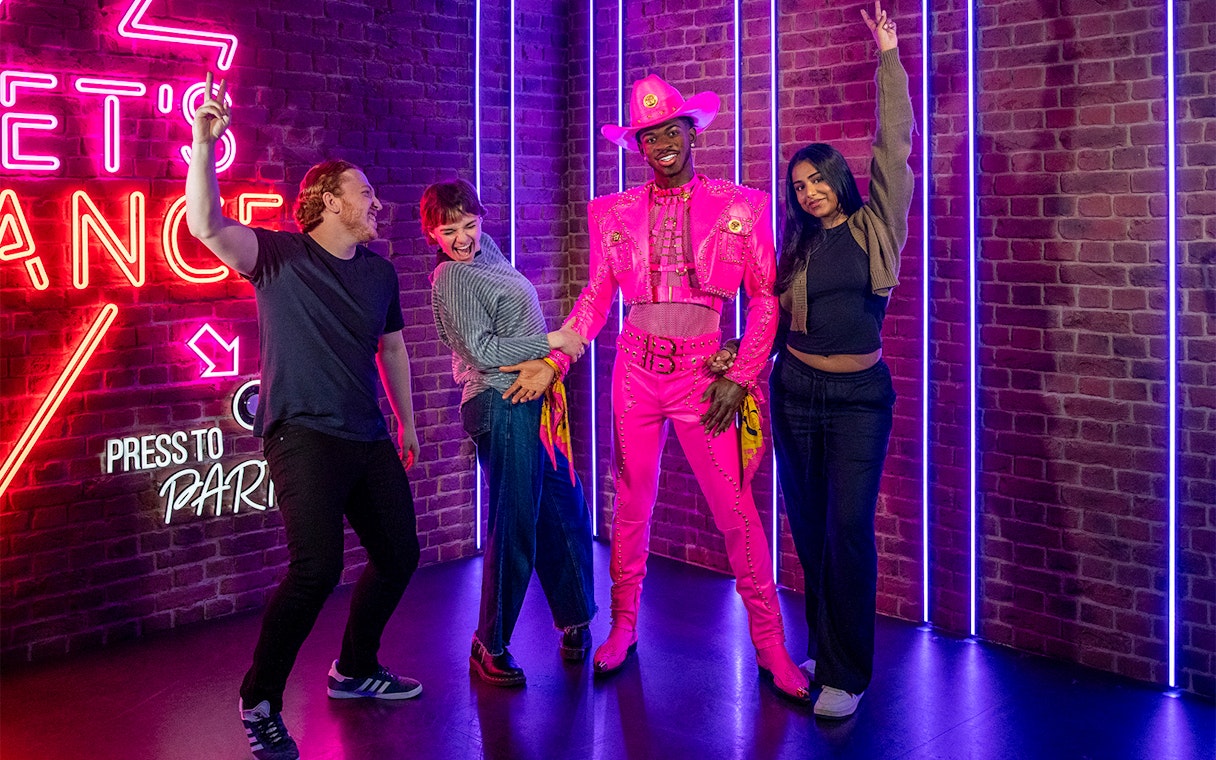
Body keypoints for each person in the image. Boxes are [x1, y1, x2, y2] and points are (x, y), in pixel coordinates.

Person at [186, 74, 423, 760]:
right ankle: (259, 698)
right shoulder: (279, 257)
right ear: (326, 202)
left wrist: (406, 423)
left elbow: (395, 348)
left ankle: (353, 669)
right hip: (301, 435)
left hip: (368, 434)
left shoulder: (380, 274)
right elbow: (206, 225)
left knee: (400, 554)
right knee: (315, 569)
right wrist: (203, 146)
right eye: (364, 192)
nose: (376, 202)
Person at [558, 70, 810, 702]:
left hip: (706, 374)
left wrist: (745, 372)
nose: (662, 142)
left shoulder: (742, 206)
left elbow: (765, 300)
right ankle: (622, 627)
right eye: (649, 135)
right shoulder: (610, 212)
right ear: (638, 146)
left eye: (671, 129)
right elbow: (597, 293)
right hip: (635, 371)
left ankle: (773, 647)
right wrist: (562, 348)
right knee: (631, 500)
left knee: (736, 510)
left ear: (691, 131)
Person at [716, 2, 914, 720]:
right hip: (795, 392)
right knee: (807, 529)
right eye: (799, 185)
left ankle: (848, 673)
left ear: (838, 176)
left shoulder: (875, 225)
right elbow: (765, 314)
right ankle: (825, 651)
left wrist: (887, 58)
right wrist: (732, 365)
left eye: (817, 178)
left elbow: (894, 149)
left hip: (860, 399)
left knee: (848, 531)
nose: (808, 191)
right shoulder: (794, 243)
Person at [420, 179, 597, 687]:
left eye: (469, 225)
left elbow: (505, 328)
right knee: (515, 522)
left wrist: (546, 362)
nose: (461, 239)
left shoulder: (488, 254)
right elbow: (482, 351)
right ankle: (489, 643)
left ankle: (576, 617)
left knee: (564, 509)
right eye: (448, 230)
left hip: (533, 399)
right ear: (431, 232)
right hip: (498, 401)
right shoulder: (450, 278)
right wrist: (555, 340)